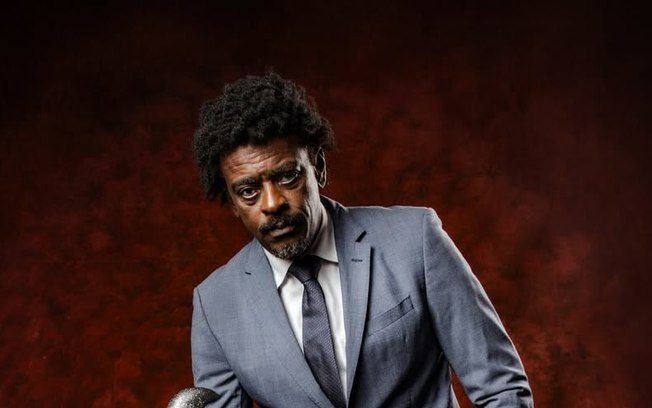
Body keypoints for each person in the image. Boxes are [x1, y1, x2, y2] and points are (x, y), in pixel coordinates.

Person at [191, 72, 533, 407]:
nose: (272, 203)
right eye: (248, 191)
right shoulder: (215, 305)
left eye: (287, 176)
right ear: (231, 202)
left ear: (318, 166)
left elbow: (502, 389)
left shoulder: (416, 240)